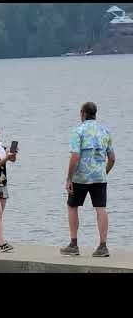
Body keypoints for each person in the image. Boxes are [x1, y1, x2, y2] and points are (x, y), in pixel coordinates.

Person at [60, 102, 115, 257]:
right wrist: (104, 173)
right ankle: (103, 246)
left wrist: (69, 178)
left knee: (72, 207)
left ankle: (73, 244)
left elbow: (75, 157)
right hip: (99, 177)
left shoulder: (78, 131)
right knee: (101, 208)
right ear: (95, 113)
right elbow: (112, 158)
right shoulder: (105, 131)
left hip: (80, 177)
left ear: (82, 113)